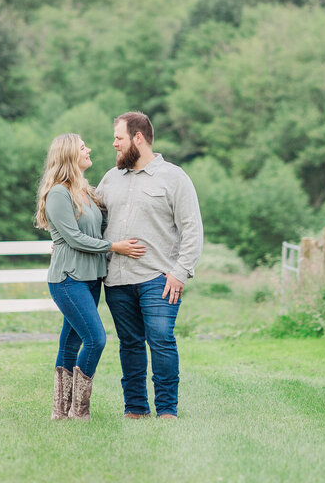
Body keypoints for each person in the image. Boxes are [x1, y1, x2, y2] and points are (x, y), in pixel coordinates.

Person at [97, 111, 204, 420]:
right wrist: (63, 239)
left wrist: (180, 272)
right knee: (129, 344)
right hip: (116, 279)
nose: (114, 144)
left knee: (161, 339)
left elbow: (192, 229)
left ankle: (167, 409)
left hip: (159, 277)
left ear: (138, 138)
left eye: (119, 138)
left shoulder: (174, 177)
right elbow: (86, 214)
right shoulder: (110, 178)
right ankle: (135, 408)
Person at [35, 133, 146, 421]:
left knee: (70, 343)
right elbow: (73, 238)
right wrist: (115, 247)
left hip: (91, 277)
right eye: (83, 147)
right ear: (70, 155)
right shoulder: (59, 192)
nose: (89, 150)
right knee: (95, 339)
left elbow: (101, 228)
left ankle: (61, 412)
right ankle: (79, 411)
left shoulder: (87, 191)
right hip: (68, 278)